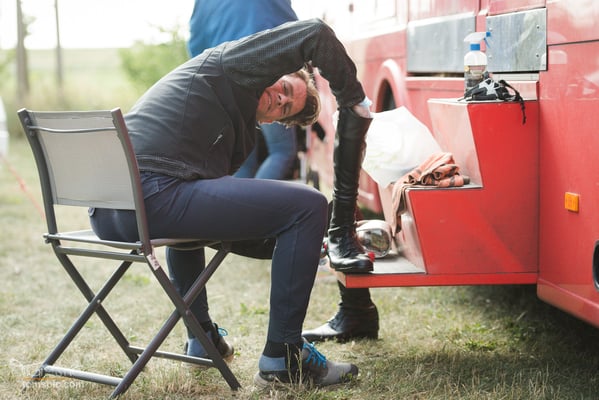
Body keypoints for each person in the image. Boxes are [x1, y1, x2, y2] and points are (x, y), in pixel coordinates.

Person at [89, 19, 373, 387]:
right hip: (150, 194)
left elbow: (216, 223)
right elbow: (315, 33)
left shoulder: (239, 136)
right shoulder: (235, 65)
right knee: (309, 205)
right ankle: (283, 357)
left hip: (111, 212)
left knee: (196, 226)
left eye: (285, 108)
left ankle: (201, 339)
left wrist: (295, 245)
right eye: (286, 88)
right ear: (275, 69)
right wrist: (353, 99)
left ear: (274, 121)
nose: (281, 99)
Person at [188, 0, 299, 180]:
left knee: (243, 159)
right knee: (281, 150)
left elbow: (196, 43)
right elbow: (292, 25)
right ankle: (258, 199)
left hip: (225, 78)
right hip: (267, 65)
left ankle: (244, 199)